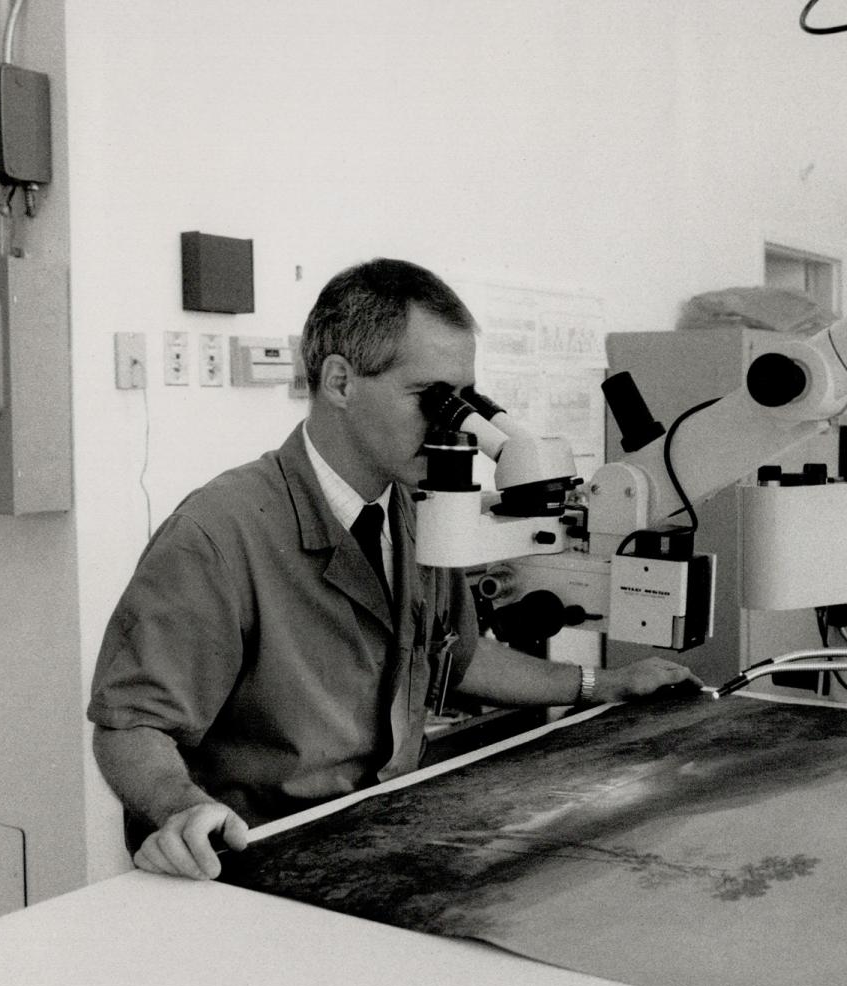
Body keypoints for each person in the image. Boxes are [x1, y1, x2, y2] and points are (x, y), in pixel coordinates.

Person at [88, 258, 696, 881]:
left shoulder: (415, 513)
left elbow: (456, 657)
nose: (449, 425)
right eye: (429, 398)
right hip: (258, 858)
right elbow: (131, 725)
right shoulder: (219, 532)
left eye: (463, 402)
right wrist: (184, 808)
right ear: (340, 382)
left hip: (381, 835)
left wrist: (601, 685)